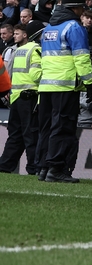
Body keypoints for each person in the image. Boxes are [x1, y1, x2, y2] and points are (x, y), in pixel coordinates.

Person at [38, 0, 92, 183]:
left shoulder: (48, 28)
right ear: (77, 8)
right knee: (63, 128)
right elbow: (81, 58)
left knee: (48, 127)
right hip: (65, 85)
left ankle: (44, 168)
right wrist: (89, 82)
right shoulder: (73, 27)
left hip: (46, 85)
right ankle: (56, 169)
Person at [0, 20, 43, 174]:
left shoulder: (19, 50)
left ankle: (5, 166)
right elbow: (35, 74)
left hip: (16, 97)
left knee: (15, 135)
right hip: (29, 96)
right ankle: (33, 167)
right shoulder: (36, 49)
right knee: (31, 134)